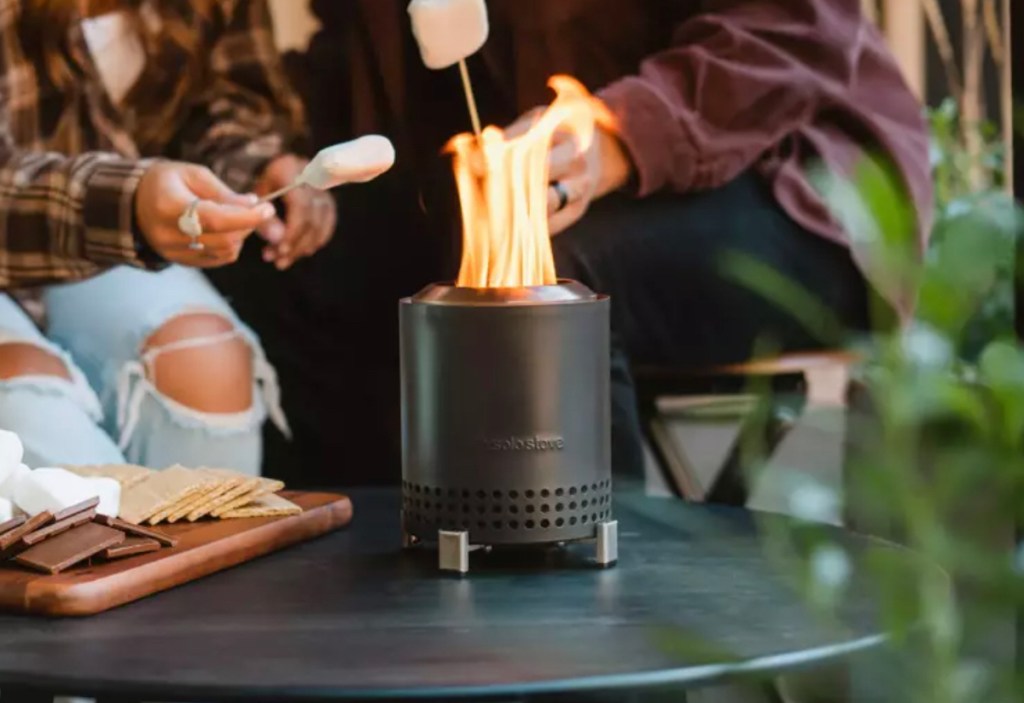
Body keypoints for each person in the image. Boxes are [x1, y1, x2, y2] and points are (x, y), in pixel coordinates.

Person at [218, 0, 931, 485]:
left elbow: (786, 33)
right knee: (283, 272)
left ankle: (588, 652)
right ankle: (382, 635)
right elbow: (353, 55)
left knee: (539, 278)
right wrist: (287, 159)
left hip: (791, 185)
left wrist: (619, 136)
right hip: (488, 199)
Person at [0, 0, 335, 473]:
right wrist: (129, 204)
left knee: (205, 362)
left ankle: (210, 548)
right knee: (32, 406)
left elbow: (224, 94)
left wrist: (255, 164)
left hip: (103, 240)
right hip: (62, 223)